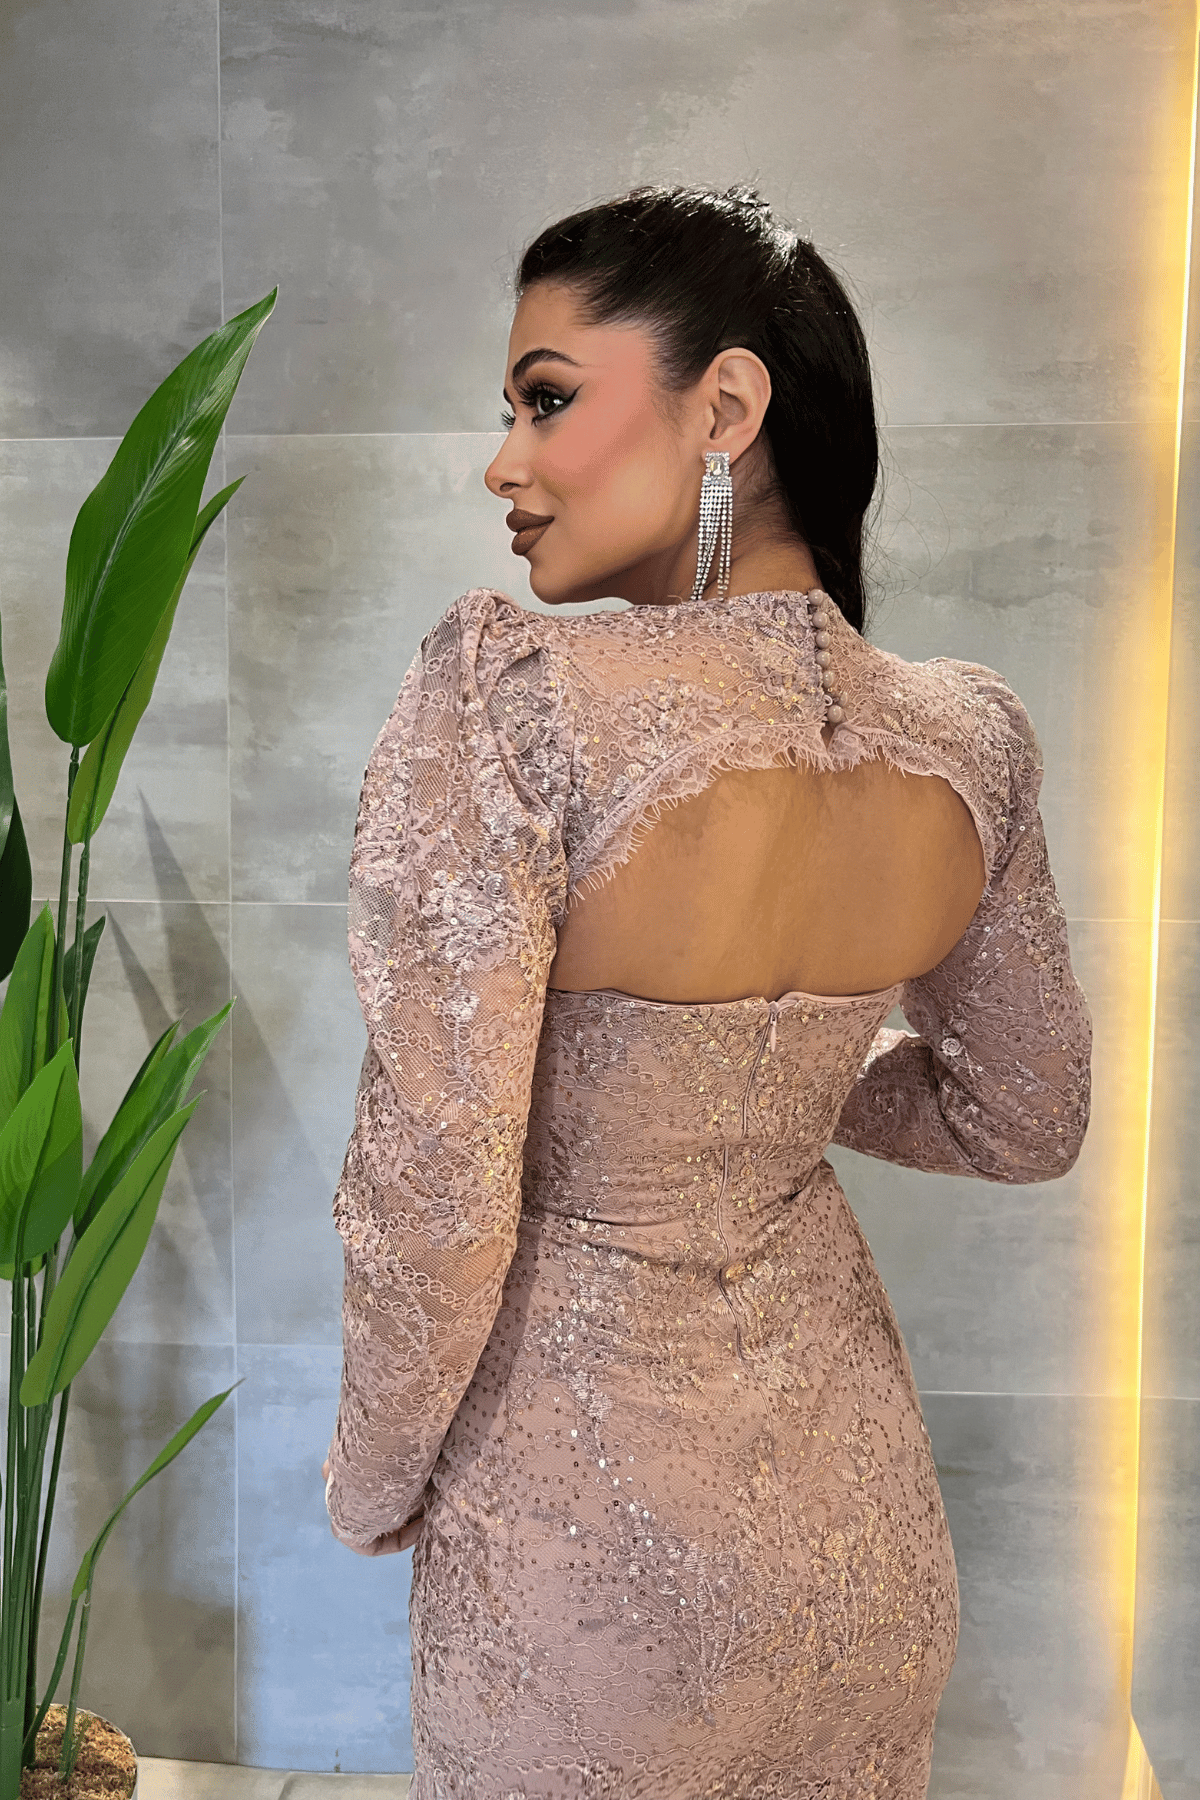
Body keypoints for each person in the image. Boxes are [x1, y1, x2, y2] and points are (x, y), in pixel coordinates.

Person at [320, 183, 1092, 1799]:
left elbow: (436, 1195)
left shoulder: (516, 701)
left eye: (545, 398)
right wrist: (796, 1078)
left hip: (585, 1551)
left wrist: (372, 1482)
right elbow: (1024, 1117)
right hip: (859, 1549)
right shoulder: (970, 738)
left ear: (726, 407)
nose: (504, 463)